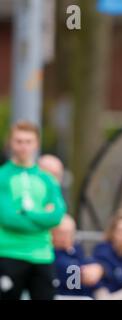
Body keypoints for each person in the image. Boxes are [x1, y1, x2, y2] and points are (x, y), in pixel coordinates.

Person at [0, 121, 66, 300]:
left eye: (28, 141)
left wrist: (25, 213)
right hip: (9, 254)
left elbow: (56, 217)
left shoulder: (47, 179)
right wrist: (41, 217)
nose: (23, 146)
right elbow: (7, 218)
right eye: (19, 141)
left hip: (42, 255)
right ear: (11, 143)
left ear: (36, 144)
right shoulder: (2, 176)